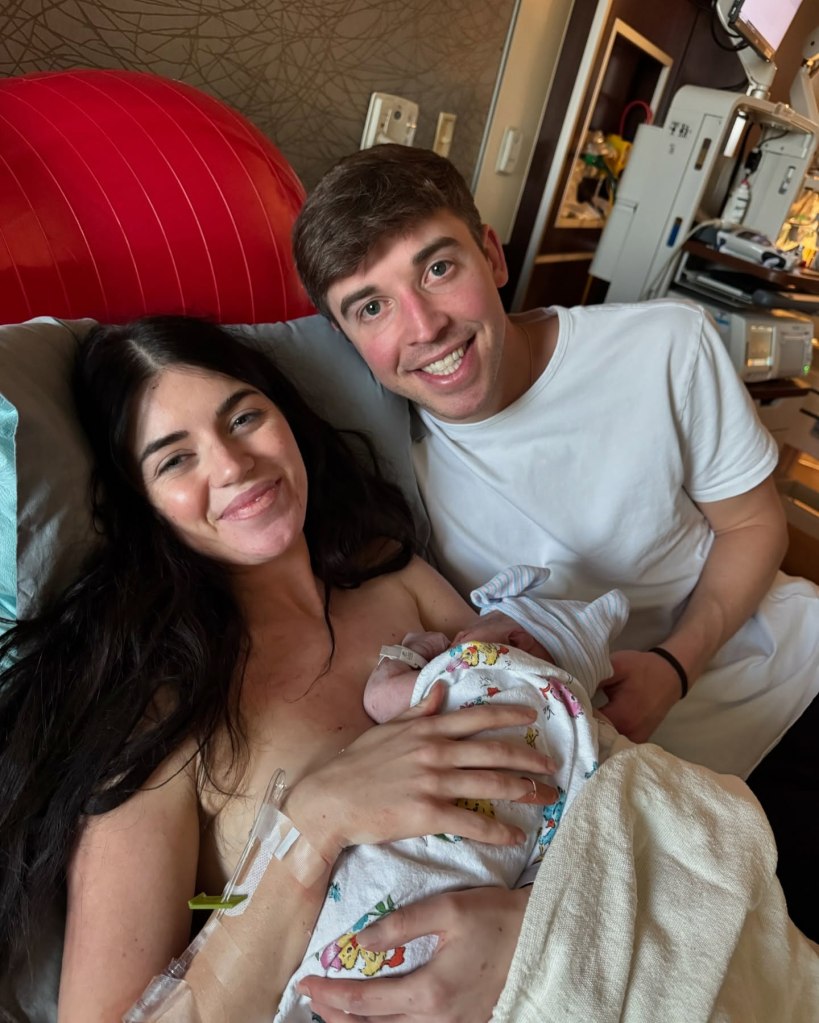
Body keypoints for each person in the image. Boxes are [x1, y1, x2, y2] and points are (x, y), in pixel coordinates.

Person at [291, 143, 819, 942]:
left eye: (436, 268)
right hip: (622, 775)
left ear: (491, 253)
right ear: (343, 337)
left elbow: (752, 524)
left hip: (776, 676)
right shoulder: (383, 466)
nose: (423, 326)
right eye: (370, 306)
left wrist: (675, 666)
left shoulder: (661, 346)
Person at [0, 316, 561, 1023]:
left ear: (285, 416)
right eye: (175, 458)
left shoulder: (393, 575)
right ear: (141, 502)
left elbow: (555, 757)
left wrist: (523, 929)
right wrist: (312, 822)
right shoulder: (160, 707)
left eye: (243, 416)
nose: (232, 465)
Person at [275, 571, 630, 1021]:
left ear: (514, 639)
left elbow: (382, 699)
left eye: (471, 630)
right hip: (473, 904)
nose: (458, 637)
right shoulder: (578, 737)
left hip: (401, 876)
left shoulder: (471, 669)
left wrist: (410, 653)